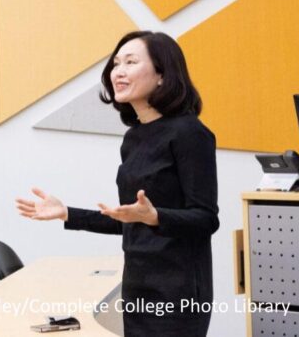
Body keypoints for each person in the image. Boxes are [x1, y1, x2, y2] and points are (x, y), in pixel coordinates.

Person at [16, 31, 218, 336]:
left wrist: (155, 216)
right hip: (137, 283)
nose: (118, 71)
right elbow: (128, 219)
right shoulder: (134, 137)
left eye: (131, 62)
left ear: (163, 75)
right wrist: (66, 212)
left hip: (178, 292)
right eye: (116, 64)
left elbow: (206, 219)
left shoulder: (190, 133)